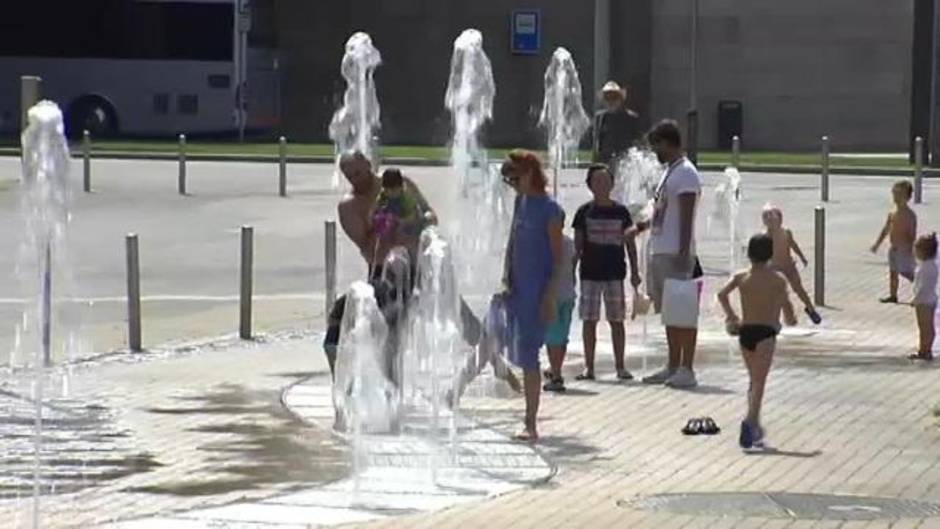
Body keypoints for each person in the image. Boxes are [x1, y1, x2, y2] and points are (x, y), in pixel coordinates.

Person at [500, 149, 565, 442]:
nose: (511, 184)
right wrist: (505, 275)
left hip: (537, 290)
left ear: (529, 173)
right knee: (493, 336)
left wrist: (550, 296)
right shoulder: (520, 202)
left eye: (514, 177)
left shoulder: (549, 210)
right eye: (508, 179)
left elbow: (559, 258)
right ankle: (460, 389)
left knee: (529, 356)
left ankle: (530, 422)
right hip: (515, 286)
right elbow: (512, 242)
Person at [717, 233, 798, 450]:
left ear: (749, 253)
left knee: (754, 380)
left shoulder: (741, 277)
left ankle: (755, 425)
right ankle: (749, 421)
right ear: (770, 254)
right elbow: (785, 303)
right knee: (759, 382)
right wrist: (790, 318)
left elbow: (722, 294)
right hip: (766, 333)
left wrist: (732, 315)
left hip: (746, 332)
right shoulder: (777, 279)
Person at [642, 119, 703, 389]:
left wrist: (682, 249)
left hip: (675, 253)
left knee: (683, 311)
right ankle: (672, 364)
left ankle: (687, 367)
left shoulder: (687, 174)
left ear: (668, 142)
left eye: (657, 145)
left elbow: (687, 215)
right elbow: (660, 209)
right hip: (661, 249)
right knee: (670, 311)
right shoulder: (671, 172)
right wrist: (639, 228)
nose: (655, 151)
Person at [571, 164, 641, 381]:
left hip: (614, 273)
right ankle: (589, 367)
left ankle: (620, 366)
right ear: (590, 186)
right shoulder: (584, 212)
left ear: (612, 184)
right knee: (589, 321)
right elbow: (578, 246)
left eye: (606, 181)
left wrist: (635, 271)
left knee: (616, 320)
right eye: (597, 181)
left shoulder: (621, 212)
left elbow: (630, 244)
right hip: (590, 273)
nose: (602, 185)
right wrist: (569, 273)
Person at [761, 205, 822, 324]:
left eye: (773, 219)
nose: (771, 223)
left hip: (789, 266)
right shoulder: (765, 236)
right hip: (775, 268)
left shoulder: (786, 232)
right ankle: (783, 316)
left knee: (799, 288)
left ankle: (810, 309)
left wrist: (802, 257)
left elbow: (793, 245)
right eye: (767, 220)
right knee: (779, 291)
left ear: (780, 220)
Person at [871, 180, 918, 303]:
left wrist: (911, 249)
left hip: (905, 249)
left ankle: (919, 295)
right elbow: (886, 230)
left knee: (909, 274)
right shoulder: (892, 213)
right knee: (893, 273)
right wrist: (877, 244)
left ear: (907, 197)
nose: (895, 197)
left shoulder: (910, 215)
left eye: (899, 194)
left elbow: (912, 234)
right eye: (894, 194)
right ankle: (893, 295)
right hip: (894, 248)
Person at [543, 231, 577, 392]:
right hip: (568, 294)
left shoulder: (544, 243)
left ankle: (556, 376)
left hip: (553, 296)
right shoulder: (569, 243)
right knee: (562, 336)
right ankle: (555, 369)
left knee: (552, 338)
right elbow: (573, 265)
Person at [592, 81, 641, 166]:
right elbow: (597, 141)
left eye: (614, 98)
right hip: (605, 161)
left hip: (625, 161)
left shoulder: (631, 118)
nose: (611, 101)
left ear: (620, 99)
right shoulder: (600, 118)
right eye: (607, 98)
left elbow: (637, 140)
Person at [910, 233, 938, 361]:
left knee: (924, 327)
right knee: (928, 326)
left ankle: (924, 350)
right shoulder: (931, 266)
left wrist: (915, 300)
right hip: (930, 299)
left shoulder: (924, 268)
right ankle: (926, 349)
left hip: (924, 301)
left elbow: (922, 287)